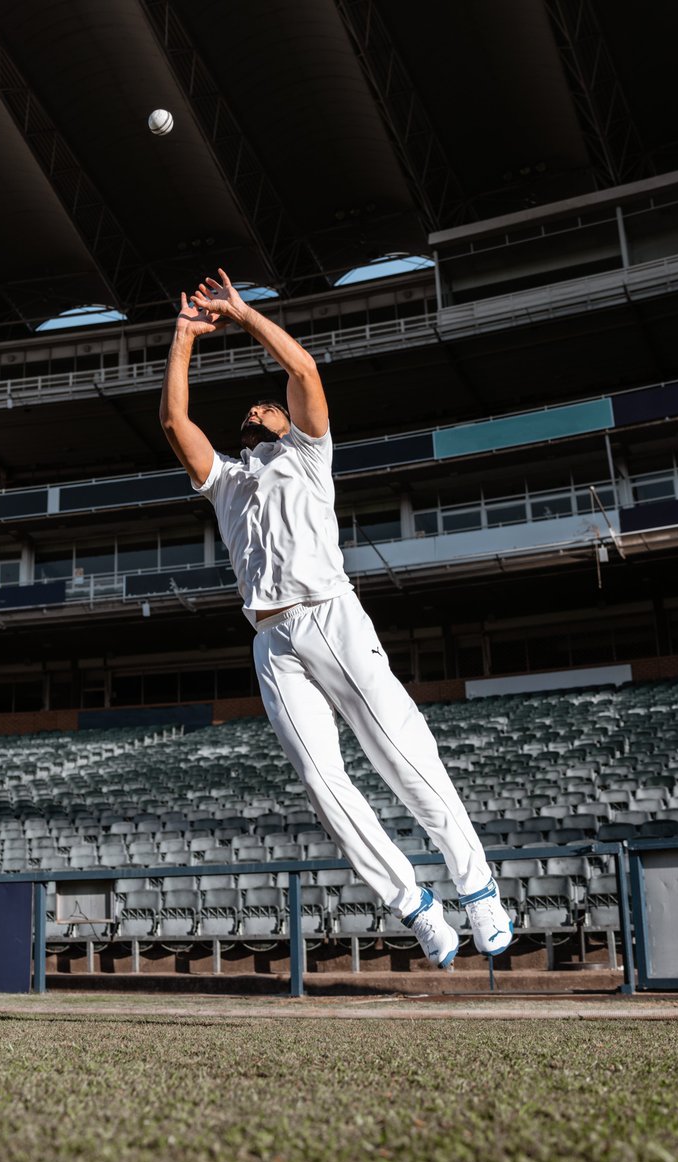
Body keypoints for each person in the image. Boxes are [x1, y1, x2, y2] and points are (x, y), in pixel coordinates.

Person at [158, 269, 512, 968]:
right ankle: (416, 907)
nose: (263, 405)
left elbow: (303, 366)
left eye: (271, 403)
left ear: (288, 423)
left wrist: (242, 314)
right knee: (324, 785)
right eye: (255, 406)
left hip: (330, 615)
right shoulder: (228, 482)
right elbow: (175, 422)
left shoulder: (308, 455)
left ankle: (479, 892)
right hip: (272, 641)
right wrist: (182, 339)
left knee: (401, 754)